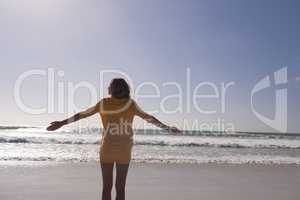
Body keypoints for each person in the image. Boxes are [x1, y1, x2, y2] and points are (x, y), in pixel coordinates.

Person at [46, 78, 181, 200]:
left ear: (113, 89)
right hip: (124, 151)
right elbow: (148, 118)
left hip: (107, 149)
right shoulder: (130, 104)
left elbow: (82, 115)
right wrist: (167, 128)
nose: (107, 88)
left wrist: (62, 123)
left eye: (109, 86)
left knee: (106, 188)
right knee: (120, 188)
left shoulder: (103, 103)